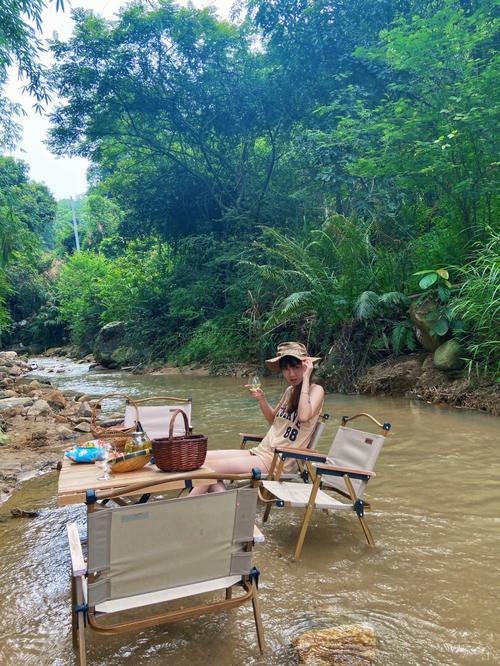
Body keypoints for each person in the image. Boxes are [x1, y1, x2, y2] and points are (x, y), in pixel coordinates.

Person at [190, 341, 325, 495]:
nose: (291, 374)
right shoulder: (290, 391)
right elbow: (273, 421)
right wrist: (262, 399)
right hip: (262, 451)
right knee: (202, 459)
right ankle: (228, 503)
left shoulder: (316, 390)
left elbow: (303, 416)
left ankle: (184, 508)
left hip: (279, 461)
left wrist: (306, 378)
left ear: (306, 366)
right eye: (286, 369)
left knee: (212, 469)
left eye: (296, 367)